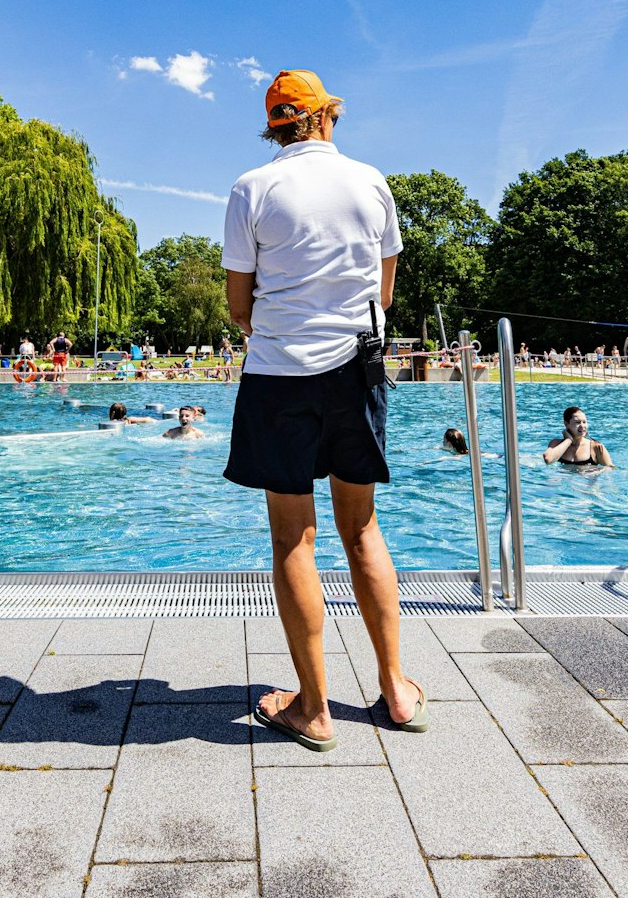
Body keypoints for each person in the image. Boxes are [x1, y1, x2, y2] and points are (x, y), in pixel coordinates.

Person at [223, 68, 424, 751]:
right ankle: (396, 688)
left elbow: (239, 306)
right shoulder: (370, 181)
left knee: (293, 539)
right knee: (361, 529)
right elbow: (386, 291)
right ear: (326, 117)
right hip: (356, 368)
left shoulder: (252, 188)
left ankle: (312, 707)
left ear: (276, 125)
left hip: (280, 374)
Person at [544, 407, 611, 467]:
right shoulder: (556, 444)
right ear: (566, 424)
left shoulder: (596, 447)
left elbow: (610, 468)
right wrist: (568, 440)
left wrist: (595, 472)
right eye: (577, 422)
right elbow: (548, 460)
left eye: (584, 422)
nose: (582, 426)